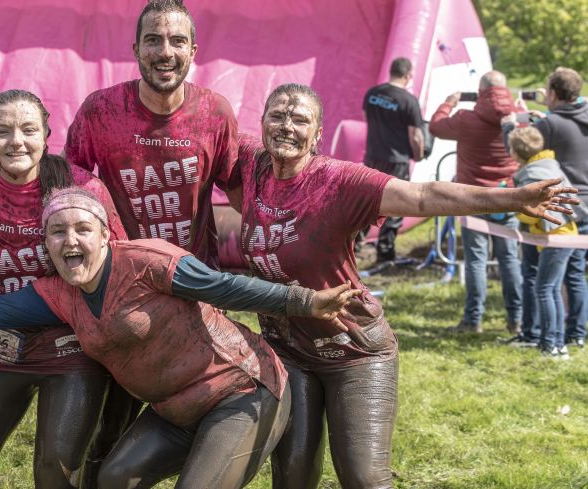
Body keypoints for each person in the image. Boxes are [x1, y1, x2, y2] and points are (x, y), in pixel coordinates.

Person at [0, 186, 365, 489]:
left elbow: (225, 286)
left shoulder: (148, 261)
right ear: (48, 244)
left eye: (81, 229)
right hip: (173, 413)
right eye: (57, 233)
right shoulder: (58, 294)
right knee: (114, 480)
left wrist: (304, 300)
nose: (70, 241)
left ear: (104, 234)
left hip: (241, 393)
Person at [231, 83, 576, 489]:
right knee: (292, 477)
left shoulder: (339, 181)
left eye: (300, 119)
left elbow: (424, 195)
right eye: (278, 116)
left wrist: (512, 198)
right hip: (288, 350)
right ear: (263, 121)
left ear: (318, 133)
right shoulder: (252, 165)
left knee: (363, 478)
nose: (287, 126)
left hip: (354, 350)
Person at [63, 1, 239, 481]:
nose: (166, 51)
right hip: (120, 292)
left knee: (201, 406)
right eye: (154, 40)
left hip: (193, 290)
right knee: (107, 424)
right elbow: (67, 189)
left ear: (194, 50)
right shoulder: (101, 111)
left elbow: (241, 189)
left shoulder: (215, 112)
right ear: (135, 49)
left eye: (177, 41)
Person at [0, 89, 127, 488]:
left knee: (53, 476)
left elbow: (121, 266)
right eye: (2, 131)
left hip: (70, 347)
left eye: (28, 129)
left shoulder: (82, 190)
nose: (16, 141)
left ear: (46, 135)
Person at [429, 71, 522, 334]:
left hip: (473, 199)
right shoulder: (516, 121)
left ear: (480, 93)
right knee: (510, 260)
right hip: (507, 198)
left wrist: (449, 102)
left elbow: (436, 126)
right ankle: (516, 319)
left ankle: (473, 320)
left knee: (476, 261)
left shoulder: (465, 119)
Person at [513, 68, 588, 350]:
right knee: (576, 273)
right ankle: (577, 334)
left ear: (553, 93)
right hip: (585, 205)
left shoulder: (550, 124)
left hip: (557, 204)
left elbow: (526, 148)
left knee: (538, 273)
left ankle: (538, 333)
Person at [361, 57, 425, 262]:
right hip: (396, 160)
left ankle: (353, 246)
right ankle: (385, 253)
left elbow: (368, 119)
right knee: (397, 204)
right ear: (408, 75)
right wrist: (420, 154)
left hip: (373, 156)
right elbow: (416, 135)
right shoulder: (408, 101)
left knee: (366, 202)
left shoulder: (372, 94)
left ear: (391, 72)